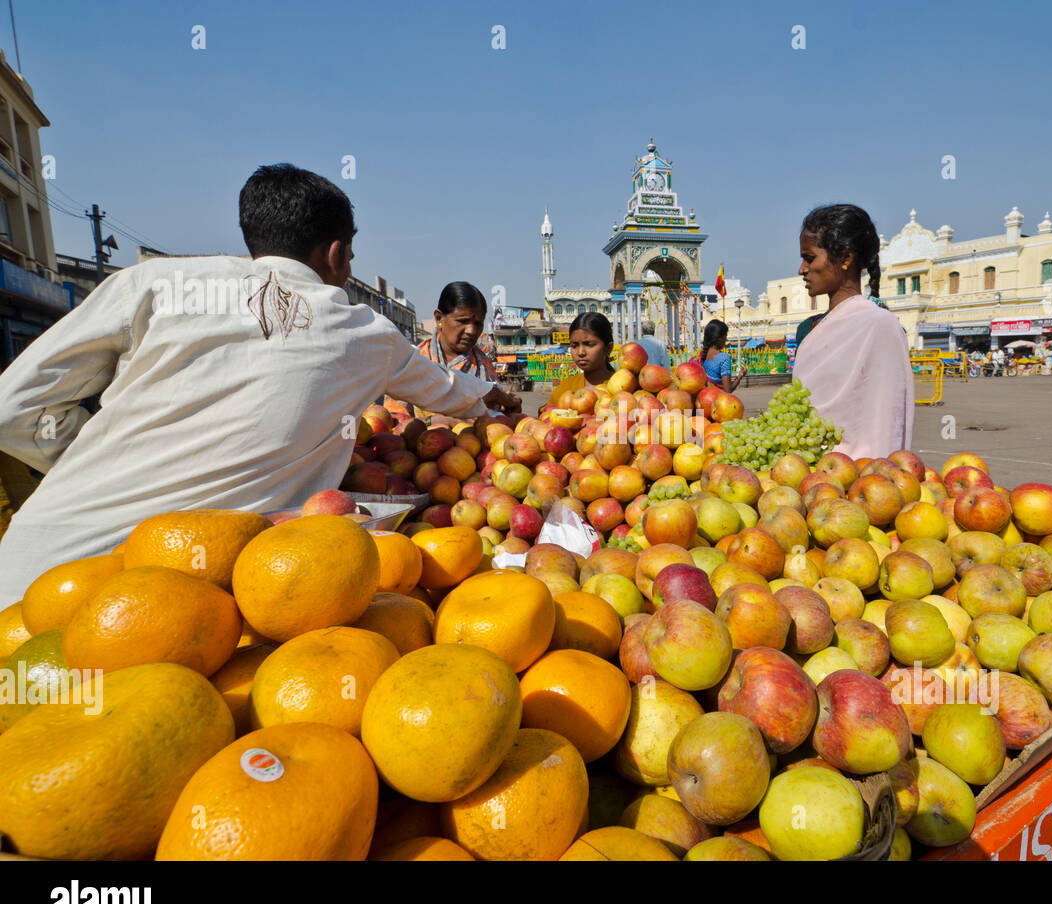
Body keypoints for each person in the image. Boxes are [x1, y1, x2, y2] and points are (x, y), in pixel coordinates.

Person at [0, 163, 519, 605]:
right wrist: (491, 399)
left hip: (31, 579)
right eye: (352, 255)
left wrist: (98, 461)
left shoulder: (153, 284)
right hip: (172, 603)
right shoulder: (364, 332)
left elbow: (12, 405)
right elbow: (447, 389)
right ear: (336, 253)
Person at [793, 204, 914, 459]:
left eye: (810, 258)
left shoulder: (880, 326)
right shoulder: (807, 329)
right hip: (804, 473)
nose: (801, 269)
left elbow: (888, 418)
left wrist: (880, 482)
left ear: (845, 259)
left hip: (861, 476)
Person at [418, 281, 498, 382]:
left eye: (477, 324)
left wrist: (503, 398)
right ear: (439, 318)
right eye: (463, 321)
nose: (471, 331)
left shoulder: (486, 368)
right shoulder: (415, 364)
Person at [550, 311, 615, 402]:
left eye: (589, 344)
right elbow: (547, 413)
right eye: (574, 345)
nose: (580, 352)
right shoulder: (566, 387)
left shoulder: (622, 388)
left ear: (608, 348)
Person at [698, 319, 747, 392]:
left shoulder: (700, 356)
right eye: (725, 336)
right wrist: (740, 375)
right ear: (719, 338)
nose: (726, 339)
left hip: (702, 399)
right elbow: (727, 390)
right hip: (717, 401)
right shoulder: (724, 358)